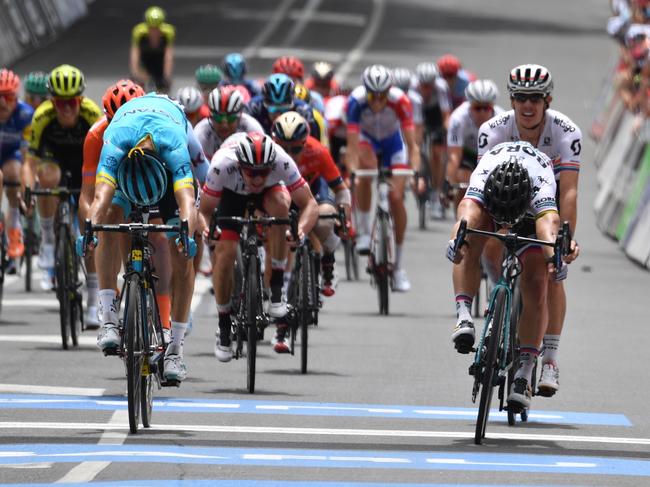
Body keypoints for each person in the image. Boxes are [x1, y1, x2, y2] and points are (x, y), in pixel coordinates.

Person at [472, 64, 581, 397]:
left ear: (547, 100)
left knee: (551, 274)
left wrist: (564, 240)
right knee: (491, 251)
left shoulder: (565, 132)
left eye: (534, 98)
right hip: (505, 200)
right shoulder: (493, 130)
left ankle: (549, 357)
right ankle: (500, 297)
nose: (528, 106)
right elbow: (484, 188)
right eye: (520, 98)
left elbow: (570, 193)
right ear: (512, 100)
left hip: (546, 207)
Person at [87, 93, 202, 383]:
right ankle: (110, 317)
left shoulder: (175, 143)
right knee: (110, 216)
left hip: (164, 169)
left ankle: (175, 349)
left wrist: (187, 232)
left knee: (182, 249)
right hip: (129, 166)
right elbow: (100, 196)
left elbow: (187, 198)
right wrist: (90, 226)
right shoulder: (114, 139)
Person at [446, 142, 561, 410]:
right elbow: (466, 213)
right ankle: (463, 315)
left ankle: (524, 373)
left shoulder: (540, 182)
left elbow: (547, 227)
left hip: (530, 219)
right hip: (492, 204)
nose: (507, 225)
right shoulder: (484, 173)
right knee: (470, 240)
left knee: (536, 281)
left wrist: (553, 257)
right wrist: (456, 240)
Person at [199, 132, 319, 358]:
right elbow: (203, 211)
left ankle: (275, 291)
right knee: (224, 255)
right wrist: (207, 229)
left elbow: (310, 204)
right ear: (239, 164)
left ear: (271, 165)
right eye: (251, 172)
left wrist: (300, 231)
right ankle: (224, 325)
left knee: (282, 207)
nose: (256, 178)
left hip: (270, 193)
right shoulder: (222, 164)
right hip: (231, 195)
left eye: (263, 172)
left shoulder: (281, 160)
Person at [25, 65, 101, 306]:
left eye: (73, 102)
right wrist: (28, 192)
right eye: (60, 103)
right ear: (52, 102)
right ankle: (48, 238)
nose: (67, 108)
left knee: (87, 229)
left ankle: (93, 295)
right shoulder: (42, 117)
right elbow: (29, 163)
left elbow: (104, 159)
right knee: (46, 177)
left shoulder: (92, 114)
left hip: (84, 165)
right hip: (54, 161)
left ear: (81, 99)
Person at [345, 64, 420, 292]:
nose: (377, 101)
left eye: (382, 96)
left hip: (392, 144)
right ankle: (365, 233)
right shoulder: (355, 102)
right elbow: (351, 148)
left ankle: (397, 267)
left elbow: (412, 145)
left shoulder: (401, 101)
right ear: (365, 90)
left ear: (389, 91)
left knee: (396, 198)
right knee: (365, 169)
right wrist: (353, 173)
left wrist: (415, 173)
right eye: (372, 95)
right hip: (368, 141)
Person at [81, 79, 145, 329]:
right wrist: (90, 229)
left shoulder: (154, 128)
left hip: (146, 180)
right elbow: (88, 195)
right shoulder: (96, 136)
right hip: (113, 183)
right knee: (107, 217)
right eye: (114, 123)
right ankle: (107, 305)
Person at [271, 111, 351, 296]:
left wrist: (344, 216)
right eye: (284, 148)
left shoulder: (318, 151)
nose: (289, 154)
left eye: (296, 149)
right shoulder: (269, 153)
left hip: (315, 191)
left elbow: (342, 190)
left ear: (305, 144)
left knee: (324, 221)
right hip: (283, 194)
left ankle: (328, 259)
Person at [444, 79, 503, 209]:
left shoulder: (502, 118)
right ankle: (462, 220)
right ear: (469, 106)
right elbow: (454, 156)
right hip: (467, 154)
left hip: (493, 157)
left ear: (492, 106)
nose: (482, 112)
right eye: (477, 108)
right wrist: (449, 184)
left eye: (486, 108)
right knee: (464, 180)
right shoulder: (458, 118)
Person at [0, 69, 33, 264]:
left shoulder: (26, 115)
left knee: (13, 171)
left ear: (17, 96)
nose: (3, 103)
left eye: (8, 97)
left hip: (13, 156)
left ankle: (14, 229)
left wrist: (25, 191)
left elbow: (28, 160)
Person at [414, 62, 452, 219]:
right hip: (419, 115)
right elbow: (415, 121)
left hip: (435, 116)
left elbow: (446, 114)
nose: (426, 90)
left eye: (429, 86)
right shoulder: (413, 89)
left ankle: (436, 193)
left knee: (437, 153)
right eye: (424, 86)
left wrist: (446, 131)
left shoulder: (441, 87)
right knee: (416, 144)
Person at [248, 73, 328, 147]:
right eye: (273, 109)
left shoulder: (304, 112)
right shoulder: (254, 108)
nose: (278, 115)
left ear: (293, 105)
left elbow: (314, 147)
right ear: (264, 104)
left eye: (284, 109)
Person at [194, 86, 263, 160]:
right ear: (211, 117)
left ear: (239, 118)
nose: (224, 125)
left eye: (230, 118)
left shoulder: (252, 128)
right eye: (218, 117)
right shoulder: (200, 133)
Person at [130, 6, 175, 92]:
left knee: (164, 88)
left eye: (157, 28)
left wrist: (166, 76)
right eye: (151, 28)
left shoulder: (168, 32)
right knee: (136, 88)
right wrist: (135, 72)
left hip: (159, 63)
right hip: (145, 62)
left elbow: (168, 56)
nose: (154, 31)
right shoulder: (139, 32)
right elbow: (135, 54)